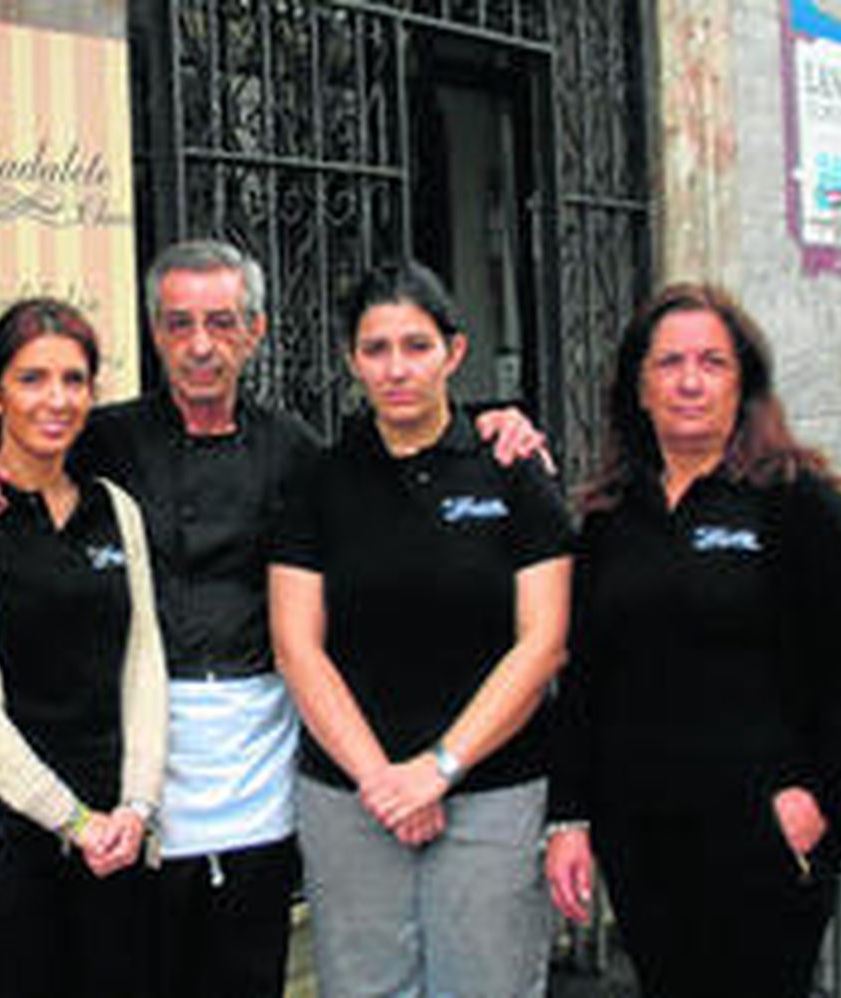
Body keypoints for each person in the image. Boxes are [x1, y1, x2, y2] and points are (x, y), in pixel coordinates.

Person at [0, 240, 548, 997]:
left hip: (257, 767)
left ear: (256, 332)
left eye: (223, 323)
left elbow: (400, 462)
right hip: (137, 767)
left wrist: (494, 422)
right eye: (180, 324)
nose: (201, 346)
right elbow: (21, 446)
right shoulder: (104, 438)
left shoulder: (299, 452)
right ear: (155, 333)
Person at [544, 283, 841, 997]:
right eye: (669, 364)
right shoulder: (610, 517)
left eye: (712, 362)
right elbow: (584, 682)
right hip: (641, 832)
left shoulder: (799, 504)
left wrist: (815, 797)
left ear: (745, 384)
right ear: (639, 387)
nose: (690, 381)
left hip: (764, 829)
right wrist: (569, 817)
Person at [268, 261, 572, 997]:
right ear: (351, 360)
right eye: (376, 349)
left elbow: (543, 641)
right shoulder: (319, 481)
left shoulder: (512, 471)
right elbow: (296, 645)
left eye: (416, 345)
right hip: (352, 800)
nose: (396, 368)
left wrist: (438, 769)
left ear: (454, 352)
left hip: (493, 793)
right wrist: (382, 781)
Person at [0, 298, 167, 998]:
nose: (56, 399)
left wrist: (136, 807)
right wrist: (73, 819)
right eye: (32, 379)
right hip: (6, 843)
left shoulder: (115, 509)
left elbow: (144, 661)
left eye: (74, 379)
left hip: (116, 839)